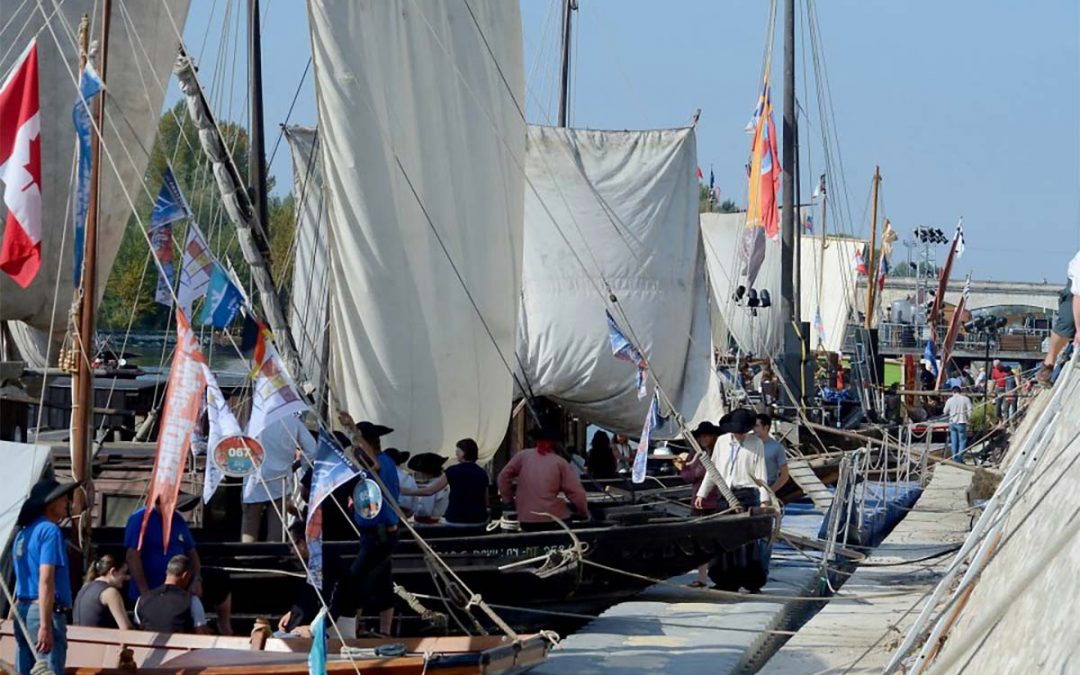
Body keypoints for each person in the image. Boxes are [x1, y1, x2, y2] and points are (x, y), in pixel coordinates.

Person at [124, 499, 233, 635]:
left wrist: (197, 580)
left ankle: (225, 627)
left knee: (220, 579)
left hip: (182, 579)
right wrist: (145, 593)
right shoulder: (140, 519)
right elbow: (132, 556)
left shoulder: (176, 519)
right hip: (153, 586)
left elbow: (192, 552)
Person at [693, 409, 770, 592]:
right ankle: (725, 580)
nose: (739, 433)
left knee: (748, 540)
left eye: (742, 430)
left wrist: (765, 499)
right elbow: (714, 470)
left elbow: (761, 473)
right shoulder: (722, 442)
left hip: (747, 493)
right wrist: (702, 493)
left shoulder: (756, 443)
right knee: (723, 539)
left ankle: (752, 581)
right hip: (725, 494)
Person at [338, 414, 400, 637]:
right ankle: (385, 631)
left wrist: (352, 430)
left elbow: (371, 462)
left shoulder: (376, 464)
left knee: (355, 580)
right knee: (383, 582)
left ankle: (349, 631)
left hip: (377, 535)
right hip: (383, 534)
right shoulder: (388, 463)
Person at [13, 478, 80, 675]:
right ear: (50, 503)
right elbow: (46, 579)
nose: (67, 502)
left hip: (23, 611)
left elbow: (22, 578)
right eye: (63, 498)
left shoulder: (23, 534)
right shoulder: (50, 531)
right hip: (43, 611)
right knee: (48, 667)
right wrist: (45, 625)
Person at [243, 414, 317, 543]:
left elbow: (242, 445)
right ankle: (273, 558)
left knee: (250, 523)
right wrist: (303, 468)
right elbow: (311, 448)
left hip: (254, 477)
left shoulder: (255, 418)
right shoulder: (292, 421)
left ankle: (245, 559)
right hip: (281, 477)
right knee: (276, 523)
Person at [497, 427, 590, 530]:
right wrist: (583, 513)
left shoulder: (523, 456)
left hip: (526, 517)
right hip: (553, 518)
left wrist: (509, 501)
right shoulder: (560, 462)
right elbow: (577, 492)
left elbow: (502, 477)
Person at [402, 439, 490, 527]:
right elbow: (485, 500)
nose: (456, 452)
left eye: (458, 449)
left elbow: (430, 491)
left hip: (456, 520)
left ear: (464, 453)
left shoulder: (452, 471)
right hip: (479, 520)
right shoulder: (482, 473)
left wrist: (405, 491)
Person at [678, 420, 724, 587]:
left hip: (715, 500)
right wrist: (697, 471)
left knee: (717, 540)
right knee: (699, 541)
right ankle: (702, 577)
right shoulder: (694, 454)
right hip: (698, 500)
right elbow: (685, 476)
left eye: (707, 436)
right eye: (701, 436)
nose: (704, 439)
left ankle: (717, 574)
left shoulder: (718, 453)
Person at [277, 522, 342, 637]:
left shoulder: (327, 563)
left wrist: (312, 628)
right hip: (311, 624)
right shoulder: (315, 562)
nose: (291, 551)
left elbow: (333, 601)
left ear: (302, 543)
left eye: (291, 545)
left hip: (322, 628)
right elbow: (309, 595)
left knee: (277, 639)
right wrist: (292, 612)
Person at [1036, 249, 1080, 386]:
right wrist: (1079, 330)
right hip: (1076, 290)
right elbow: (1078, 298)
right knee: (1068, 321)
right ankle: (1049, 361)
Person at [134, 555, 209, 634]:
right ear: (185, 575)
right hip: (180, 645)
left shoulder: (142, 599)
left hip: (148, 645)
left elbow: (139, 629)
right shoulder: (191, 601)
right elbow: (201, 633)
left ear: (167, 572)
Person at [74, 554, 133, 630]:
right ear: (113, 572)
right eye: (124, 573)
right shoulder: (110, 593)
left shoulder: (84, 588)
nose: (127, 577)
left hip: (80, 639)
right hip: (100, 640)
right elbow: (126, 628)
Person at [405, 453, 450, 522]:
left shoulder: (433, 486)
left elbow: (425, 511)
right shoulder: (443, 484)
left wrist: (413, 507)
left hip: (430, 524)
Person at [753, 414, 789, 495]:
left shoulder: (777, 447)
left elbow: (784, 475)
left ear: (765, 427)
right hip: (750, 490)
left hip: (767, 487)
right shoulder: (749, 445)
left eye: (756, 426)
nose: (754, 429)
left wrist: (770, 492)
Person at [943, 385, 973, 463]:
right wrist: (969, 420)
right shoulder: (966, 399)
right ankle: (960, 458)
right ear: (960, 392)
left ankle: (954, 458)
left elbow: (944, 411)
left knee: (954, 441)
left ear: (953, 392)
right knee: (962, 441)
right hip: (962, 421)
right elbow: (970, 412)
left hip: (952, 422)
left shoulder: (950, 400)